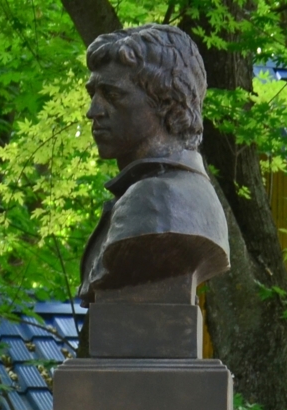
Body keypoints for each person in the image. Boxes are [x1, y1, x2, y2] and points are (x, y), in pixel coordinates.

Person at [77, 25, 228, 301]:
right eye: (93, 95)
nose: (93, 111)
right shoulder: (153, 195)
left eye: (112, 95)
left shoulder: (158, 201)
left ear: (167, 101)